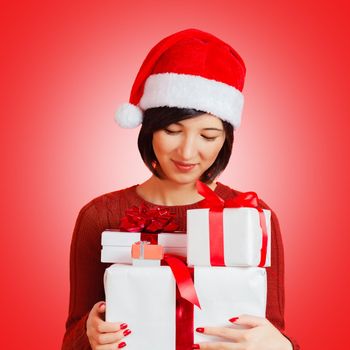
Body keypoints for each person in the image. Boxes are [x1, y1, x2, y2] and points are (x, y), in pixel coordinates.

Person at [61, 28, 300, 350]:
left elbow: (271, 330)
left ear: (226, 139)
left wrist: (281, 346)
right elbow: (73, 335)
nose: (187, 153)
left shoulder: (251, 214)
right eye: (172, 130)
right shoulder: (100, 215)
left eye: (208, 136)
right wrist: (88, 336)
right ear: (148, 131)